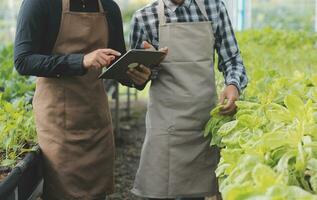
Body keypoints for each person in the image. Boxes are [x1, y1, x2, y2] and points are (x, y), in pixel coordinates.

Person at [14, 0, 150, 199]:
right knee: (62, 192)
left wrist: (138, 75)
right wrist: (80, 60)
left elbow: (117, 64)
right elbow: (23, 60)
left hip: (96, 119)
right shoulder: (40, 4)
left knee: (97, 194)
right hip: (58, 124)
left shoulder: (109, 7)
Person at [130, 0, 248, 199]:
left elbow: (232, 59)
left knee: (195, 194)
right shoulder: (144, 17)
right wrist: (142, 74)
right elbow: (136, 75)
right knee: (160, 190)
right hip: (165, 124)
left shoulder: (214, 8)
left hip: (203, 123)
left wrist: (233, 85)